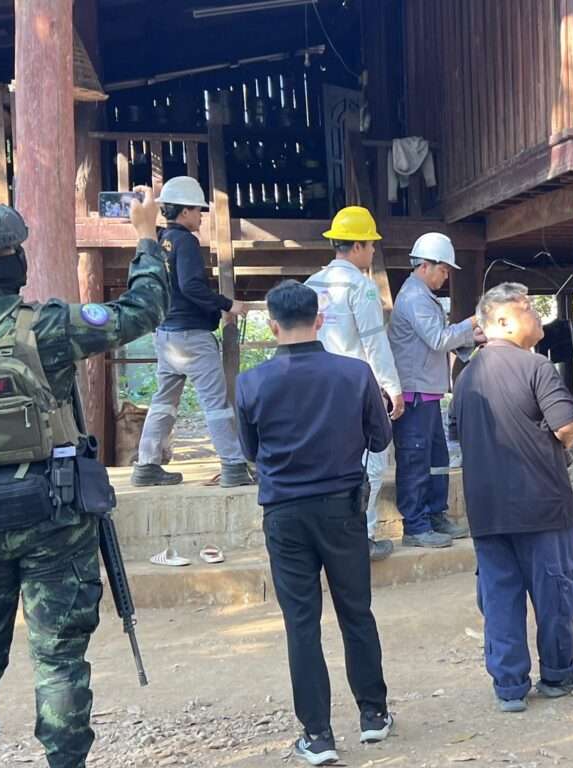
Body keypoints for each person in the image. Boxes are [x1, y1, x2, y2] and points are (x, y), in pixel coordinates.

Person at [0, 188, 169, 768]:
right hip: (52, 510)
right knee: (59, 660)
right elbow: (142, 312)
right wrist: (146, 237)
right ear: (15, 261)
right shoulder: (47, 325)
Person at [235, 280, 394, 766]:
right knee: (356, 611)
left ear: (271, 326)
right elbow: (380, 438)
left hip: (284, 512)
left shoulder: (251, 382)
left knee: (301, 622)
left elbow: (250, 450)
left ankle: (318, 735)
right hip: (342, 508)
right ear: (319, 320)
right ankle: (373, 714)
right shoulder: (355, 373)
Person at [453, 283, 573, 712]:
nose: (536, 315)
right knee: (555, 593)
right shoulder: (536, 367)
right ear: (501, 321)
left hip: (487, 509)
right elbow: (566, 425)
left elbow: (457, 434)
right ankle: (558, 671)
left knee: (499, 597)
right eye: (527, 309)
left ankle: (510, 685)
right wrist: (569, 436)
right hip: (542, 504)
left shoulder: (465, 376)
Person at [132, 176, 252, 488]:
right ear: (185, 211)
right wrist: (228, 304)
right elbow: (191, 286)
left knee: (164, 401)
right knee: (216, 404)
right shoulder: (185, 242)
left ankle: (147, 464)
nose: (201, 216)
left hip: (166, 334)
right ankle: (234, 465)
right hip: (192, 337)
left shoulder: (158, 240)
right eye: (198, 210)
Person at [305, 206, 402, 562]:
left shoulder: (311, 285)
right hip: (354, 389)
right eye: (371, 244)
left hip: (316, 388)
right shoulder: (361, 288)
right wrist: (392, 387)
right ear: (358, 246)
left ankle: (327, 539)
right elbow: (374, 342)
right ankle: (364, 536)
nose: (374, 250)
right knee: (371, 464)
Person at [387, 233, 484, 548]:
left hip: (426, 392)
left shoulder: (421, 295)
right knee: (415, 460)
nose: (446, 276)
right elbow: (439, 339)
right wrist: (472, 324)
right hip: (415, 393)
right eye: (443, 270)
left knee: (436, 459)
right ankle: (415, 526)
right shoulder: (415, 298)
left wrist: (470, 339)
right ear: (425, 266)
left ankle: (435, 514)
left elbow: (438, 339)